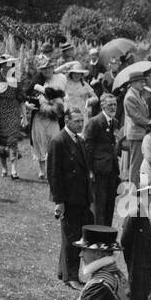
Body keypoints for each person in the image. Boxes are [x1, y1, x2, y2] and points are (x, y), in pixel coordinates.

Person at [48, 105, 92, 287]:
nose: (81, 124)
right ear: (67, 121)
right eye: (77, 121)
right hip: (68, 198)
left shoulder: (79, 140)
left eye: (82, 121)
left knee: (74, 235)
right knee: (71, 237)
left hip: (81, 197)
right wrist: (59, 201)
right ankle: (71, 277)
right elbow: (53, 174)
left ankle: (63, 271)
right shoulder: (59, 141)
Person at [0, 55, 26, 179]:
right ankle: (4, 167)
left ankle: (13, 169)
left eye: (10, 63)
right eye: (5, 63)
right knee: (1, 142)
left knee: (13, 140)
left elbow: (21, 99)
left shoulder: (16, 78)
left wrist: (24, 117)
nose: (8, 65)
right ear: (0, 65)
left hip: (13, 111)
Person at [82, 95, 119, 225]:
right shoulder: (95, 122)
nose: (113, 107)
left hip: (111, 169)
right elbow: (88, 148)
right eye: (110, 105)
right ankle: (98, 236)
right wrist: (90, 170)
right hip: (99, 170)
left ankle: (107, 235)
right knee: (99, 205)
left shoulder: (114, 122)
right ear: (102, 106)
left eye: (115, 104)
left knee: (109, 204)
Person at [122, 75, 151, 189]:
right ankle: (133, 187)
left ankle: (141, 186)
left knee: (143, 163)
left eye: (143, 81)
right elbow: (136, 116)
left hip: (141, 132)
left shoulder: (138, 95)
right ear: (133, 82)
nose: (143, 84)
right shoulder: (130, 96)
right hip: (136, 134)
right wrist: (150, 123)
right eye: (140, 82)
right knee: (136, 163)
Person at [30, 84, 64, 181]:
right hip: (39, 120)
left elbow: (58, 111)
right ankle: (42, 170)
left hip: (52, 122)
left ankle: (52, 170)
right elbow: (27, 99)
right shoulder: (36, 96)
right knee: (39, 142)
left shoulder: (57, 100)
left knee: (54, 144)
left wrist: (44, 104)